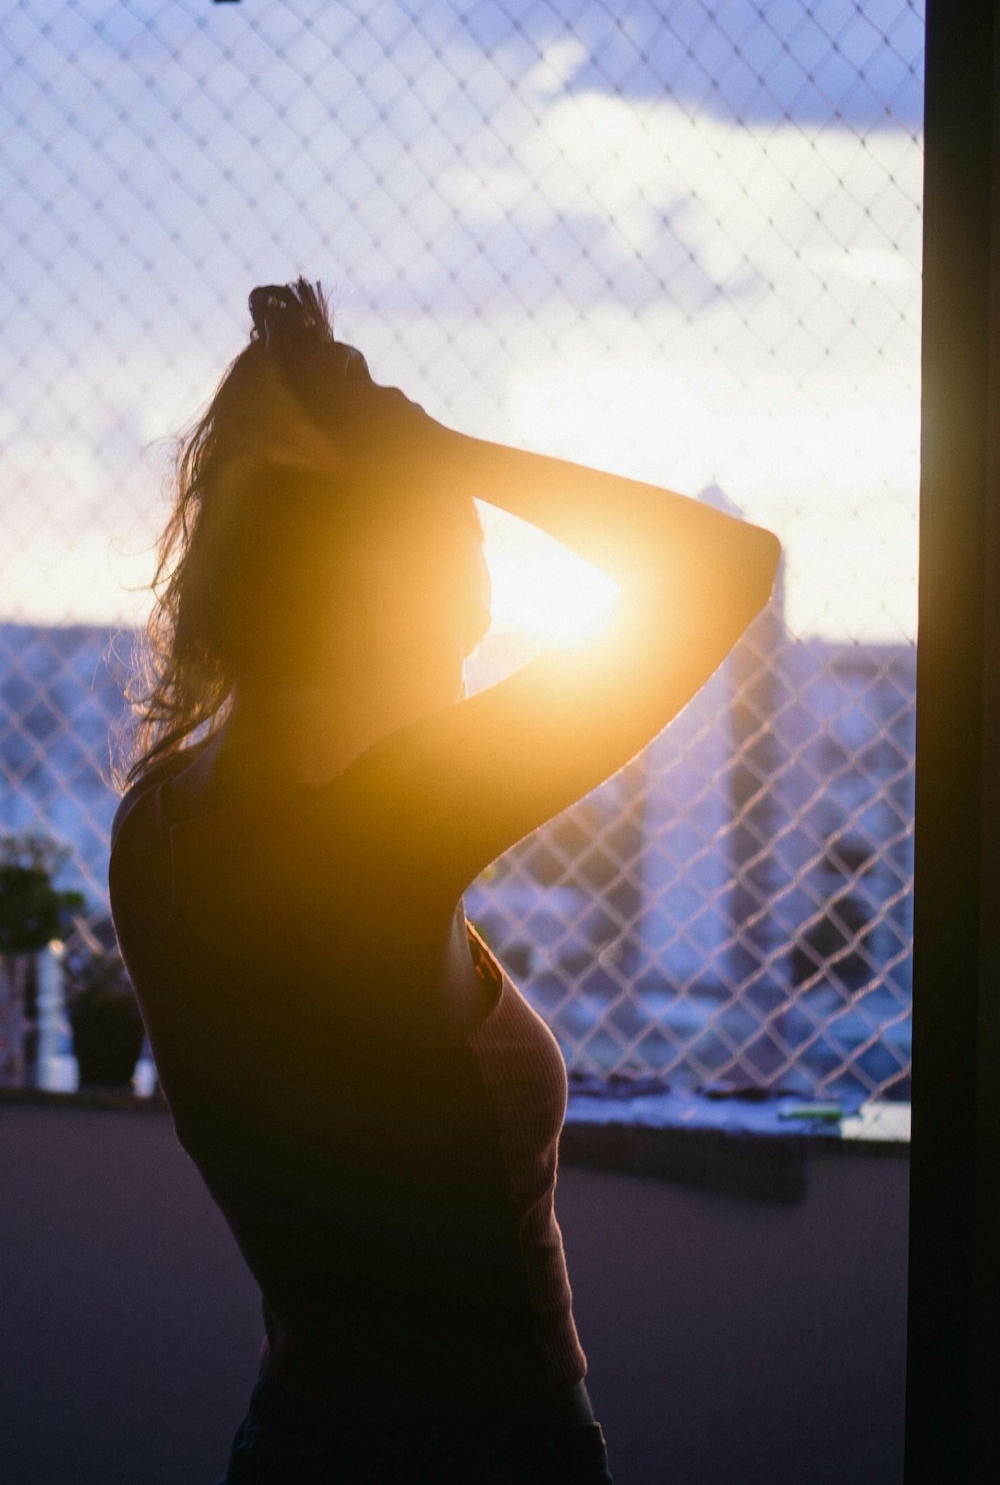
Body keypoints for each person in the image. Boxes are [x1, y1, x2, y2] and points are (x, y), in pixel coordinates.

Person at [109, 278, 780, 1484]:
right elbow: (727, 562)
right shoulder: (384, 819)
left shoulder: (158, 821)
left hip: (295, 1435)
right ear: (383, 565)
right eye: (447, 509)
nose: (472, 527)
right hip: (480, 1446)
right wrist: (435, 442)